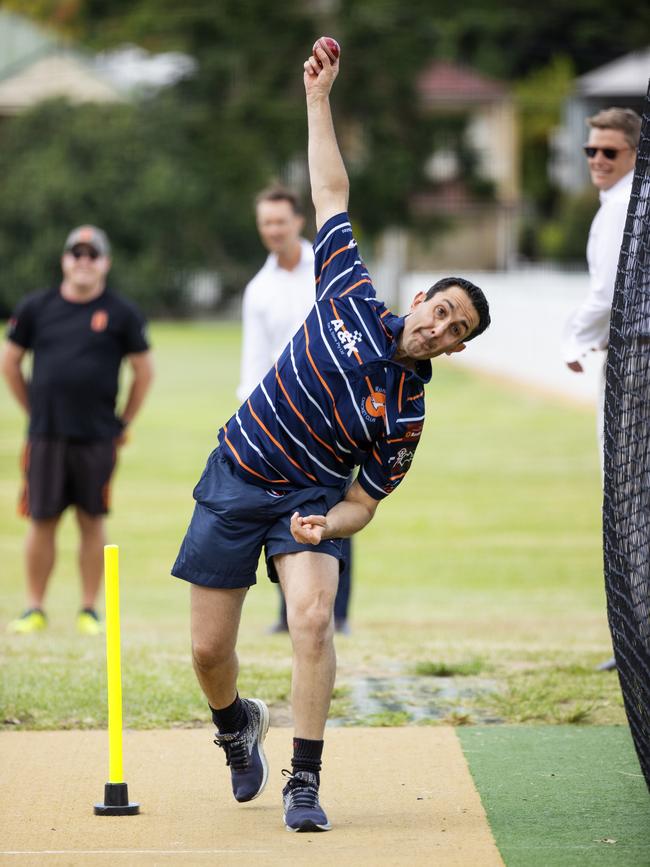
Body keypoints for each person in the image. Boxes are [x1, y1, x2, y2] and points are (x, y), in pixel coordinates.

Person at [171, 42, 490, 833]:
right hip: (238, 469)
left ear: (455, 349)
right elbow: (330, 187)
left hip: (307, 500)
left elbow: (364, 504)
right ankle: (235, 723)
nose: (439, 325)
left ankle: (304, 780)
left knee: (313, 617)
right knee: (210, 654)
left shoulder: (408, 414)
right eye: (440, 308)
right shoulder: (347, 286)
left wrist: (328, 524)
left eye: (455, 329)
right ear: (419, 299)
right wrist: (319, 97)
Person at [2, 225, 154, 635]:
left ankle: (89, 609)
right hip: (46, 435)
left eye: (93, 254)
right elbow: (10, 361)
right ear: (65, 259)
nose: (84, 261)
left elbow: (143, 370)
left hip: (97, 436)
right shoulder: (36, 307)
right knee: (41, 519)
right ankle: (34, 607)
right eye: (76, 253)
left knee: (92, 519)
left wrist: (123, 421)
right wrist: (33, 409)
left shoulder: (121, 313)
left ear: (105, 262)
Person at [238, 186, 353, 634]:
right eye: (266, 222)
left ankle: (336, 613)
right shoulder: (258, 289)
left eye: (280, 221)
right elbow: (254, 359)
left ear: (297, 221)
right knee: (278, 512)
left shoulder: (324, 269)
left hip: (331, 415)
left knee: (334, 511)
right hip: (280, 420)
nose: (273, 230)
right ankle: (288, 613)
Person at [563, 107, 641, 672]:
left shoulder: (622, 207)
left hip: (634, 356)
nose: (597, 160)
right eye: (591, 150)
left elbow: (608, 294)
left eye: (608, 151)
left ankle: (639, 640)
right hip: (632, 351)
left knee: (630, 497)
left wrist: (572, 341)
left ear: (634, 153)